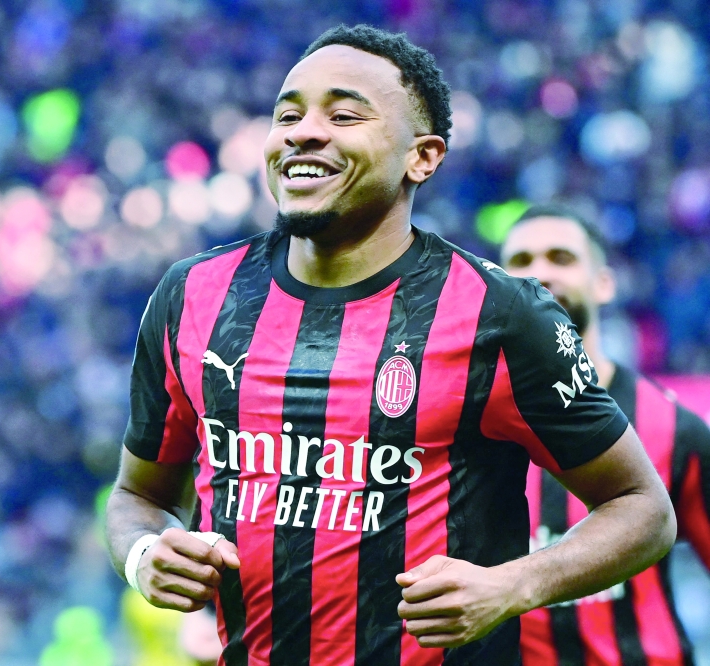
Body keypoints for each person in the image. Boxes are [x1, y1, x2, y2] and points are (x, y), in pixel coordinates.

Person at [105, 24, 676, 665]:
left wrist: (510, 586)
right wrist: (143, 554)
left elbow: (643, 510)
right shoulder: (191, 296)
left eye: (344, 114)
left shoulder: (503, 313)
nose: (304, 131)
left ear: (422, 157)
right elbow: (138, 498)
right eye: (287, 114)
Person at [501, 204, 710, 666]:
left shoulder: (676, 428)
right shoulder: (468, 425)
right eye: (520, 261)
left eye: (561, 257)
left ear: (605, 284)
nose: (539, 272)